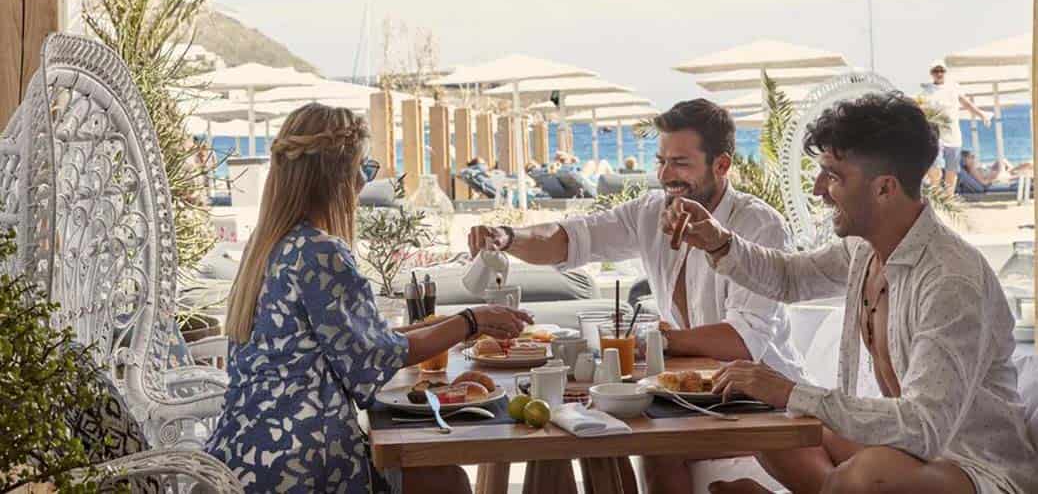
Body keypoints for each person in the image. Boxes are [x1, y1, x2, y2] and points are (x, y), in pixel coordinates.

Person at [667, 93, 1036, 494]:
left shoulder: (950, 280)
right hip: (910, 452)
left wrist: (792, 391)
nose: (818, 189)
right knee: (767, 426)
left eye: (833, 175)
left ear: (884, 189)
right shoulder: (865, 248)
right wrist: (718, 241)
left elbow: (922, 426)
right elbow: (791, 278)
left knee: (868, 472)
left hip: (973, 467)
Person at [469, 99, 807, 494]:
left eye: (680, 163)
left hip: (761, 403)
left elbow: (743, 341)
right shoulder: (651, 213)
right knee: (603, 433)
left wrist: (655, 340)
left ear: (722, 165)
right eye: (661, 160)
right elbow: (570, 238)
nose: (665, 174)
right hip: (687, 395)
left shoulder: (759, 226)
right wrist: (508, 237)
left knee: (646, 443)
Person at [206, 104, 532, 494]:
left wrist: (457, 322)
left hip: (244, 455)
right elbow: (373, 358)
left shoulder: (269, 247)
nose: (364, 182)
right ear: (337, 176)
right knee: (446, 482)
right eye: (364, 168)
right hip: (302, 465)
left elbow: (361, 339)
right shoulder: (319, 253)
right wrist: (470, 322)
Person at [919, 60, 989, 194]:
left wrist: (982, 115)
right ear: (931, 73)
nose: (939, 73)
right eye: (936, 71)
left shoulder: (954, 88)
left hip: (953, 136)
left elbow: (967, 103)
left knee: (952, 170)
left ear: (945, 72)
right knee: (935, 169)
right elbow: (920, 108)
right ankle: (936, 197)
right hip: (935, 136)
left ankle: (948, 200)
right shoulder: (927, 91)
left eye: (941, 71)